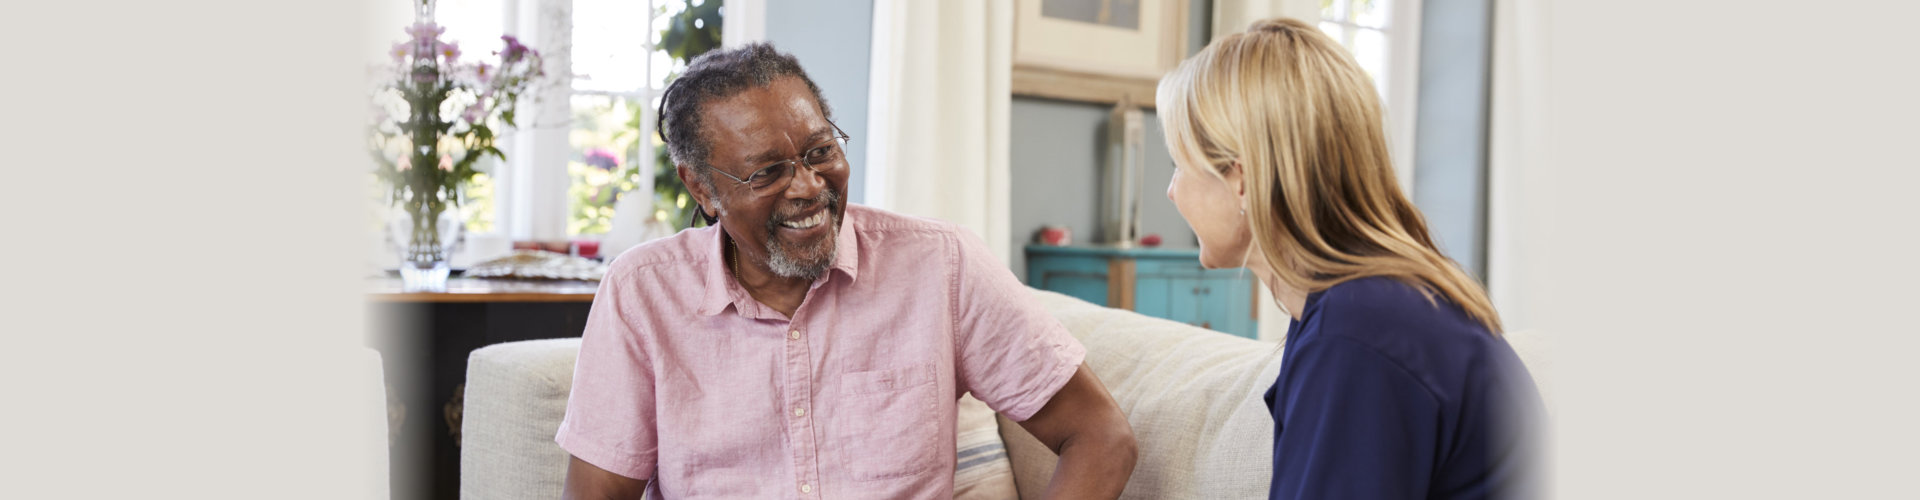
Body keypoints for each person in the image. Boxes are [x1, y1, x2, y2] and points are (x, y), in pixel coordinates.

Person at [555, 43, 1137, 500]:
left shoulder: (943, 264)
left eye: (819, 152)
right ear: (701, 187)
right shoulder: (642, 292)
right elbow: (598, 495)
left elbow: (1100, 437)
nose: (809, 188)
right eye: (767, 173)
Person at [1156, 18, 1545, 500]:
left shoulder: (1359, 333)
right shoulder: (1359, 307)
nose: (1172, 192)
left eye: (1179, 163)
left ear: (1242, 179)